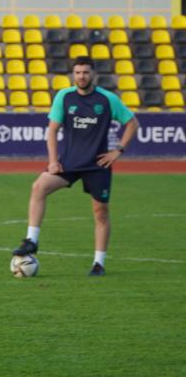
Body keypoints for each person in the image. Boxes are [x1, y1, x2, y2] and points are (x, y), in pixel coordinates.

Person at [12, 56, 139, 276]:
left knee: (100, 213)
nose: (82, 76)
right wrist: (53, 161)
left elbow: (132, 124)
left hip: (97, 165)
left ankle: (98, 263)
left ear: (93, 74)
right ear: (73, 74)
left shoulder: (108, 99)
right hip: (69, 162)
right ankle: (31, 240)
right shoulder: (64, 96)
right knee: (39, 187)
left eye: (86, 72)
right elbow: (52, 130)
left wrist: (118, 150)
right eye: (78, 72)